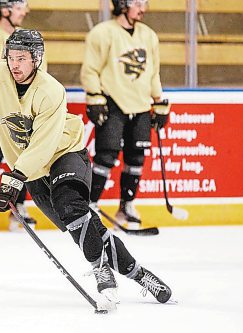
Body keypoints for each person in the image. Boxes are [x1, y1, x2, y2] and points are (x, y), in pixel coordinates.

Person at [0, 29, 172, 309]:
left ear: (37, 59)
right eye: (11, 57)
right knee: (84, 227)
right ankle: (140, 275)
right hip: (30, 170)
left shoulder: (51, 90)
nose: (15, 64)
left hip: (64, 153)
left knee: (71, 207)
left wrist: (15, 178)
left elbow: (43, 145)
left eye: (22, 58)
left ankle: (101, 269)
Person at [80, 0, 170, 230]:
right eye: (138, 3)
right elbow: (90, 69)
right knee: (106, 156)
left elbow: (153, 73)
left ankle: (127, 205)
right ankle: (91, 205)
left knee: (136, 158)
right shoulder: (102, 33)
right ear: (122, 4)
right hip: (113, 103)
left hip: (141, 105)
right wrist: (94, 97)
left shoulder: (149, 36)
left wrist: (159, 101)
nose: (143, 8)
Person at [0, 0, 40, 232]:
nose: (25, 11)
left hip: (22, 108)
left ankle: (20, 205)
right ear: (5, 10)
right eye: (19, 6)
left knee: (22, 160)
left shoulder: (28, 38)